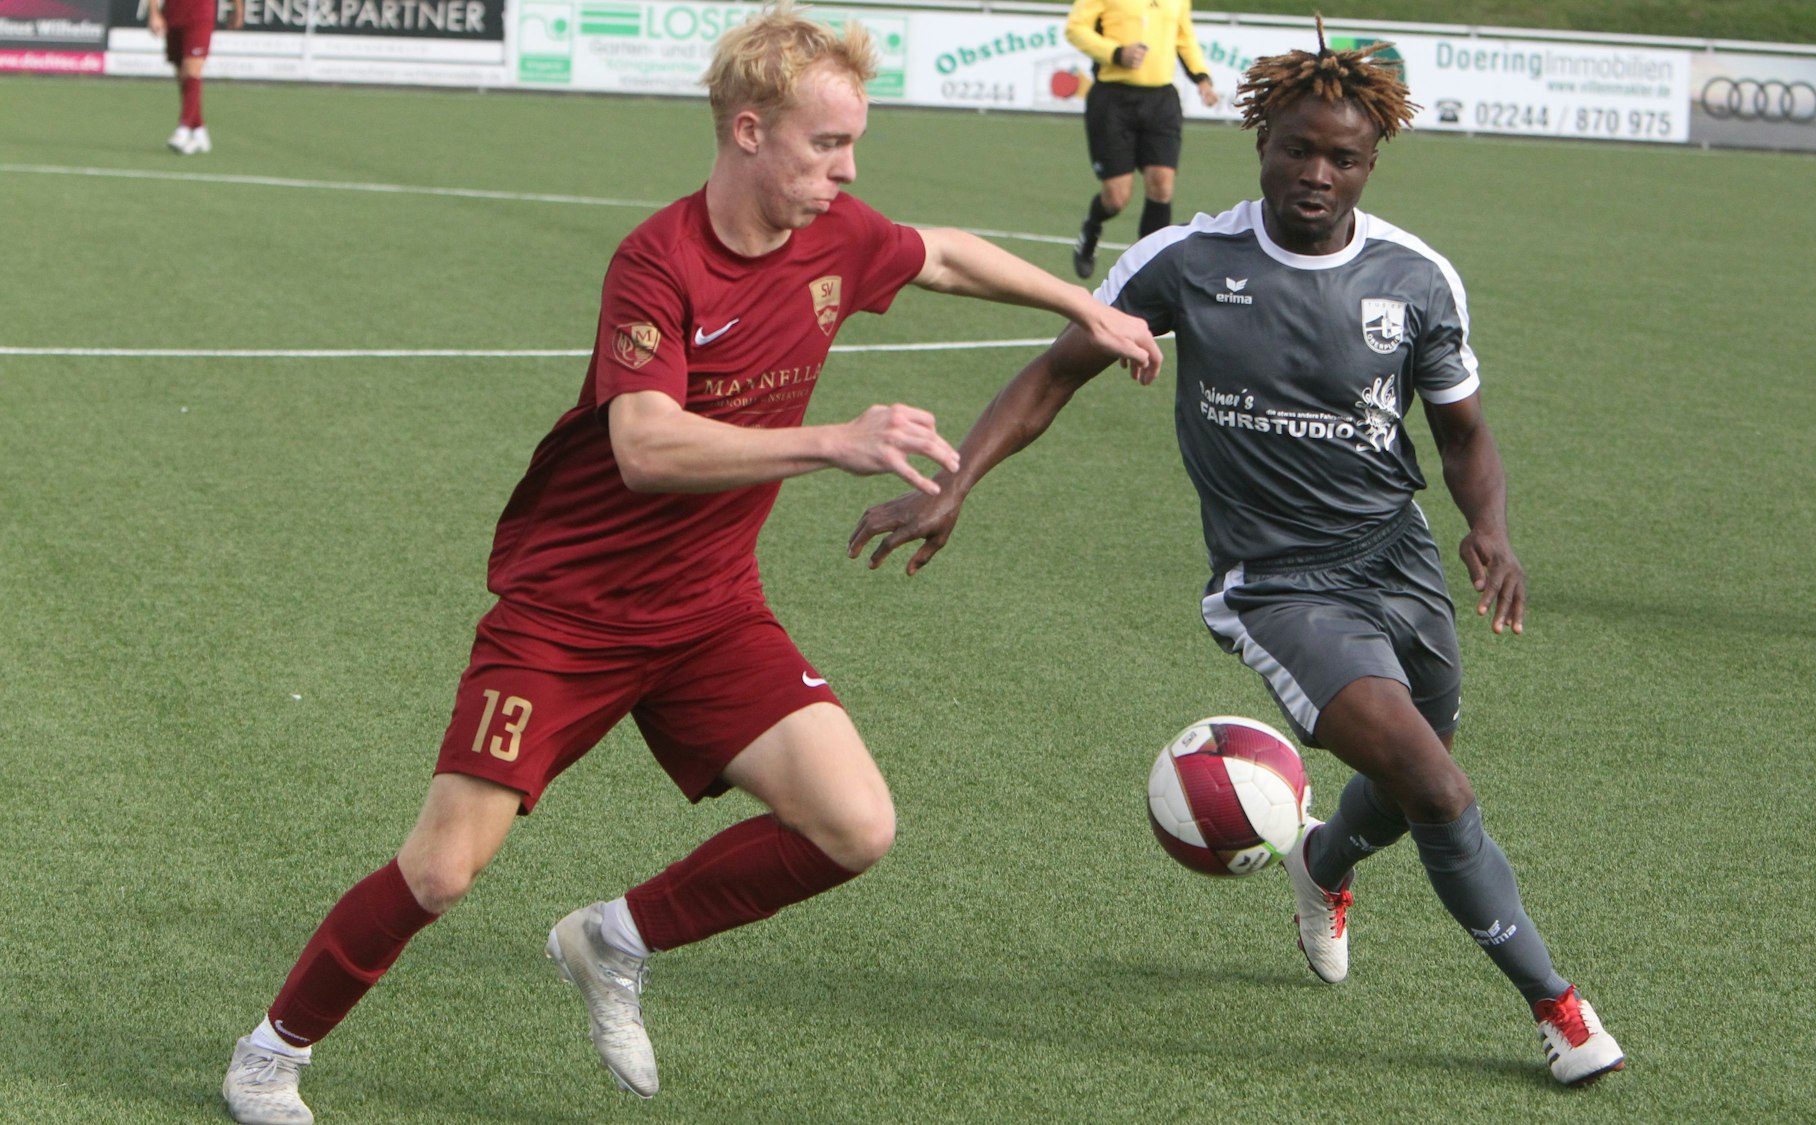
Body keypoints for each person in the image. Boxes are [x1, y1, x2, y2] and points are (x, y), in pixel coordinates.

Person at [216, 5, 1163, 1122]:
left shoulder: (839, 235)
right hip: (567, 617)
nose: (846, 171)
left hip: (709, 613)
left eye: (853, 145)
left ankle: (612, 939)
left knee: (853, 826)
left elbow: (942, 253)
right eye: (826, 145)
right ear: (749, 131)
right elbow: (645, 447)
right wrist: (830, 440)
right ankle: (269, 1053)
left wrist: (1080, 304)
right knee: (439, 872)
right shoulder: (657, 262)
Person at [850, 32, 1625, 1086]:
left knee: (1404, 785)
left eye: (1341, 159)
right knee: (1437, 788)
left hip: (1398, 564)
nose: (1315, 174)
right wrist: (957, 484)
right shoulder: (1188, 264)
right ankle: (1557, 1007)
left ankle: (1318, 860)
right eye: (1296, 150)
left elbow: (1461, 433)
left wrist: (1487, 527)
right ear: (1260, 141)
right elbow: (1051, 375)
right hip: (1275, 586)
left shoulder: (1416, 278)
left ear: (1370, 165)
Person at [1064, 0, 1221, 279]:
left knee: (1162, 185)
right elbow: (1075, 29)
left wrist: (1202, 78)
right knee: (1116, 198)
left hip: (1161, 101)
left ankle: (1147, 271)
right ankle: (1092, 226)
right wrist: (1115, 53)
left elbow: (1184, 37)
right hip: (1112, 101)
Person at [147, 0, 241, 154]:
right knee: (182, 75)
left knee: (192, 69)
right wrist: (154, 13)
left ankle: (183, 129)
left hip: (200, 14)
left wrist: (238, 9)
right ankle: (199, 132)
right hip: (172, 14)